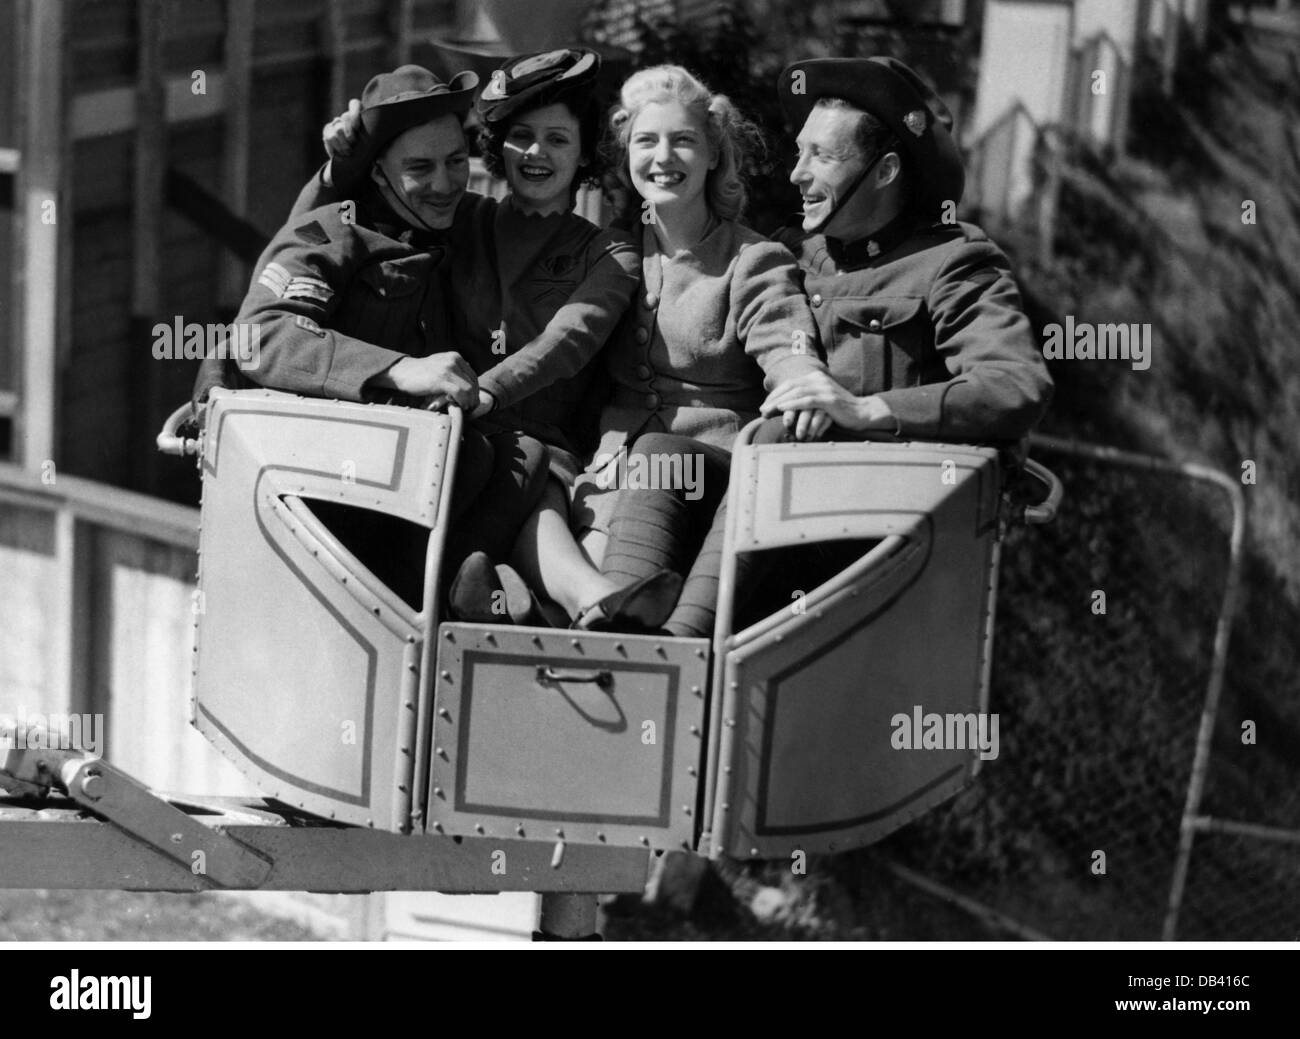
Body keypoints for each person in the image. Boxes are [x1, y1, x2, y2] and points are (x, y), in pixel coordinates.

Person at [595, 56, 1055, 638]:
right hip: (767, 509)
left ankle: (680, 648)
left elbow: (1014, 386)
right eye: (799, 153)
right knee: (668, 454)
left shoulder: (954, 265)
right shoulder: (793, 252)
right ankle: (613, 639)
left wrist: (866, 411)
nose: (796, 175)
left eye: (823, 157)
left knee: (778, 439)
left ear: (884, 171)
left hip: (874, 532)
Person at [464, 64, 830, 630]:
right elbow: (570, 335)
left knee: (648, 490)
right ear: (626, 154)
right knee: (540, 496)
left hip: (702, 474)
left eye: (683, 140)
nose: (664, 158)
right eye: (646, 141)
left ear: (713, 153)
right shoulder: (615, 251)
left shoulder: (751, 260)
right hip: (613, 472)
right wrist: (483, 392)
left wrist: (800, 376)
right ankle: (515, 605)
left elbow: (785, 338)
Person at [316, 50, 648, 622]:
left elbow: (566, 343)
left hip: (530, 437)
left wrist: (485, 391)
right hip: (443, 436)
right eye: (520, 136)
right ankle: (516, 596)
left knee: (535, 472)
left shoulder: (610, 253)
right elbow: (333, 228)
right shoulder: (461, 216)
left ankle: (577, 599)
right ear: (498, 146)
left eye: (557, 140)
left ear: (585, 153)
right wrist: (341, 163)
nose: (536, 153)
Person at [201, 65, 551, 604]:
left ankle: (450, 590)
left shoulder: (457, 223)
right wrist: (400, 371)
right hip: (320, 485)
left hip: (408, 467)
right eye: (420, 167)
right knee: (472, 458)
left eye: (457, 161)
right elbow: (262, 335)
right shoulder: (330, 232)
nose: (444, 183)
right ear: (379, 175)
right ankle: (431, 592)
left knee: (524, 454)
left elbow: (545, 223)